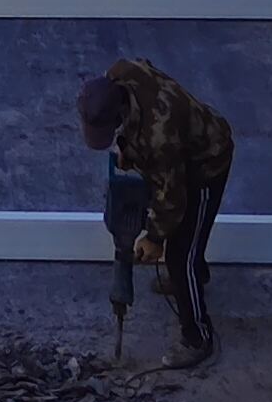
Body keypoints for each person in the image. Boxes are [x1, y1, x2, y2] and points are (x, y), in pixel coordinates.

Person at [77, 59, 232, 369]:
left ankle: (197, 338)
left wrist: (155, 238)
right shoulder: (121, 72)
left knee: (180, 256)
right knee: (186, 242)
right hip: (181, 147)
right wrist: (128, 147)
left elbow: (173, 196)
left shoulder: (159, 138)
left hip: (205, 163)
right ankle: (193, 276)